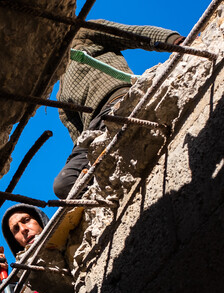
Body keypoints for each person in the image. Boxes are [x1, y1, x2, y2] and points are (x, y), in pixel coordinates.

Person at [53, 21, 185, 199]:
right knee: (64, 184)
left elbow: (133, 33)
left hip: (116, 101)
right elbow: (78, 137)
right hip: (95, 128)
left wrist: (174, 41)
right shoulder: (60, 95)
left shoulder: (82, 34)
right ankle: (102, 203)